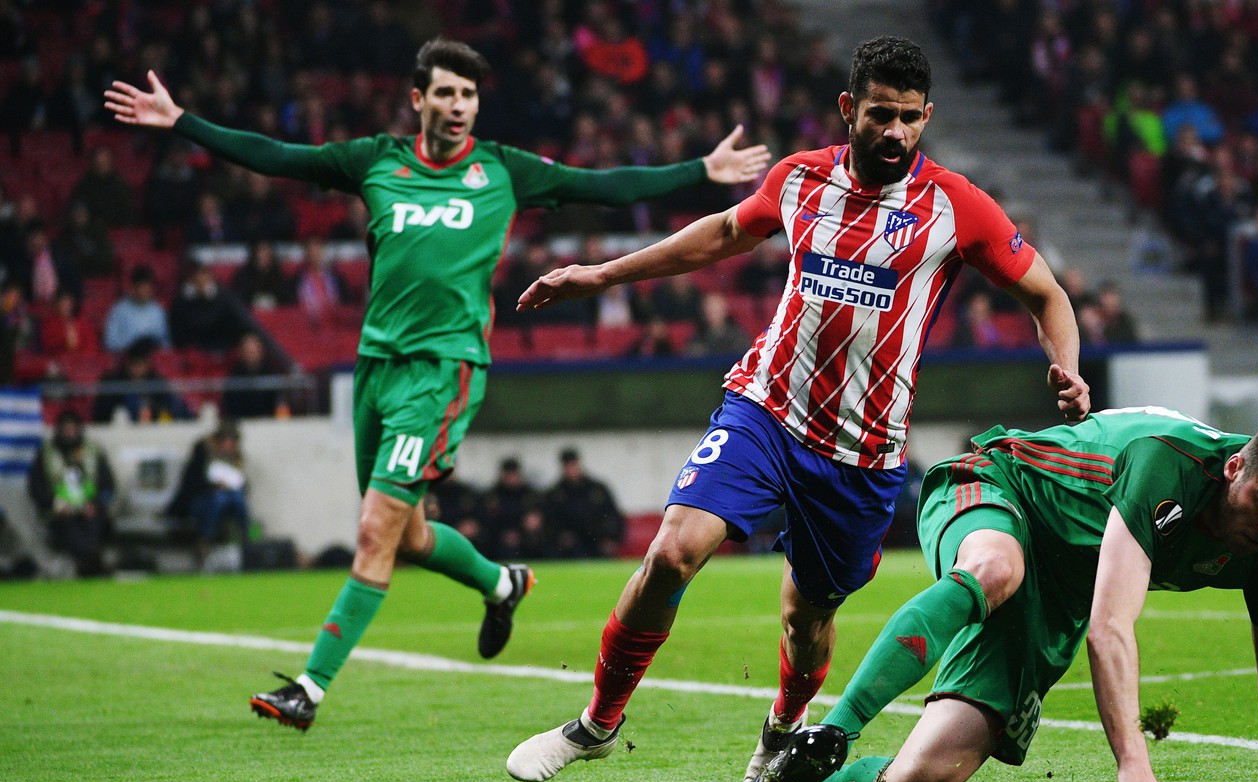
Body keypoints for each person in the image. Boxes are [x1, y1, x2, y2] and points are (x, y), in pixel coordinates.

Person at [107, 36, 770, 731]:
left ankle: (309, 687)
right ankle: (501, 582)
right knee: (409, 536)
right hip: (375, 368)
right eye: (447, 92)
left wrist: (702, 169)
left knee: (374, 531)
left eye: (469, 95)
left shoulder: (502, 169)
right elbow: (279, 157)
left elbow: (602, 186)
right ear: (418, 98)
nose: (458, 106)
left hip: (442, 371)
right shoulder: (377, 160)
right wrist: (182, 121)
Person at [506, 36, 1089, 782]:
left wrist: (1067, 366)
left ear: (927, 116)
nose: (896, 132)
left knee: (805, 617)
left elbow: (1047, 293)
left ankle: (782, 729)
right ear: (849, 108)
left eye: (911, 117)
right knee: (672, 552)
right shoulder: (801, 179)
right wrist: (600, 276)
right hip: (767, 410)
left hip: (863, 452)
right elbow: (723, 233)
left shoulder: (955, 205)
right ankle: (597, 723)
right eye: (880, 114)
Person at [692, 410, 1258, 782]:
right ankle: (833, 732)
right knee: (997, 568)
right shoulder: (1166, 465)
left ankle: (780, 781)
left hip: (1057, 595)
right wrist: (1133, 761)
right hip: (1001, 488)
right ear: (1235, 468)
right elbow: (1110, 627)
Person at [27, 409, 115, 577]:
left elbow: (108, 486)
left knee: (94, 526)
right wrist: (55, 503)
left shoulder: (93, 450)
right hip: (59, 512)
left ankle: (88, 562)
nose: (70, 433)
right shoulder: (46, 453)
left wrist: (95, 504)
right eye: (66, 429)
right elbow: (35, 487)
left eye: (73, 429)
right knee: (69, 529)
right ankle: (92, 562)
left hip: (90, 508)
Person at [167, 419, 251, 566]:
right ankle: (205, 540)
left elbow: (243, 485)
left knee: (238, 498)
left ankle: (246, 541)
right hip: (199, 501)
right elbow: (191, 486)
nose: (230, 446)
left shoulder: (234, 460)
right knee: (219, 498)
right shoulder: (201, 457)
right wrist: (214, 486)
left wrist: (233, 485)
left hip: (226, 503)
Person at [543, 447, 624, 558]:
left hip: (598, 541)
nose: (571, 470)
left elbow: (613, 516)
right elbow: (550, 521)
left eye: (573, 465)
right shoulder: (555, 494)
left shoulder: (597, 489)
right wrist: (560, 536)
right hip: (570, 546)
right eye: (568, 466)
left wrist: (612, 538)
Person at [103, 266, 170, 354]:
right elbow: (110, 342)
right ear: (133, 287)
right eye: (142, 287)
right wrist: (133, 344)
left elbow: (166, 343)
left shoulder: (158, 311)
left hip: (153, 357)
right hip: (128, 357)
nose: (145, 291)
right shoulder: (119, 310)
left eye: (148, 287)